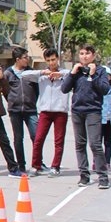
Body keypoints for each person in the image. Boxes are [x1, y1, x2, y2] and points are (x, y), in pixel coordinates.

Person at [61, 45, 110, 188]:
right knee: (80, 144)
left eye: (87, 53)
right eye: (81, 53)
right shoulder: (76, 71)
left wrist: (93, 75)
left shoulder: (101, 71)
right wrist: (72, 73)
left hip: (93, 111)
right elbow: (64, 89)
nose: (84, 56)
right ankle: (84, 175)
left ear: (93, 55)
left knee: (95, 144)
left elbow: (105, 89)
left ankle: (103, 176)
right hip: (77, 111)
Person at [27, 48, 70, 177]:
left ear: (58, 59)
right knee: (38, 139)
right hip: (45, 112)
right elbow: (23, 75)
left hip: (60, 111)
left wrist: (60, 74)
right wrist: (42, 72)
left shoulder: (65, 74)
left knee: (58, 141)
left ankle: (55, 166)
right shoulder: (42, 75)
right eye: (49, 60)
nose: (52, 63)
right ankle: (36, 165)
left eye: (53, 59)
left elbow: (73, 73)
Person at [2, 47, 39, 174]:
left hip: (30, 109)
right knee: (18, 138)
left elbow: (37, 90)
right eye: (25, 57)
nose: (27, 59)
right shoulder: (8, 73)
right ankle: (21, 165)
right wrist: (12, 101)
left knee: (36, 136)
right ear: (17, 59)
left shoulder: (31, 72)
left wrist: (32, 101)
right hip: (15, 111)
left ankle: (37, 163)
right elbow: (5, 91)